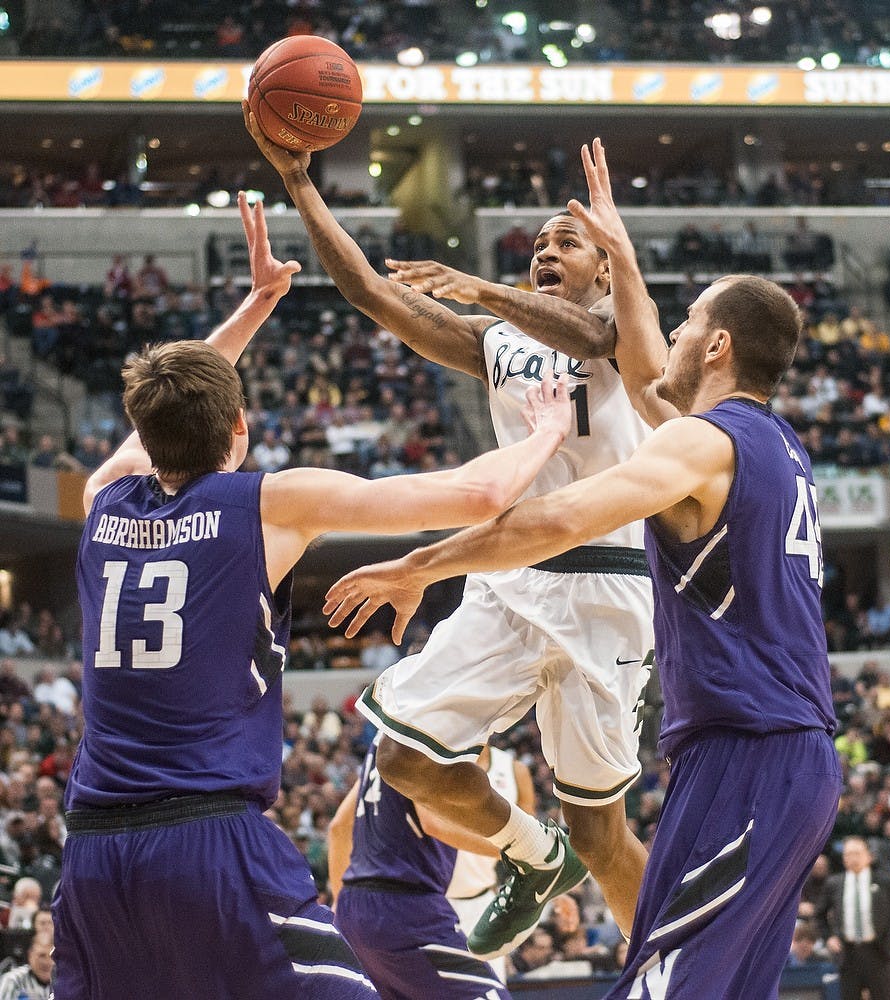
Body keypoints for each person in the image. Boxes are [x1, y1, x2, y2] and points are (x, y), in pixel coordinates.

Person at [323, 139, 844, 999]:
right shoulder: (774, 443)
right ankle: (536, 856)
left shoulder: (701, 442)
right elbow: (646, 371)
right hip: (752, 745)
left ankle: (548, 858)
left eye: (685, 325)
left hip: (747, 739)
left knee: (661, 981)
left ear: (714, 347)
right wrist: (626, 256)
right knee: (698, 980)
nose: (666, 334)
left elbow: (571, 487)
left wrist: (419, 562)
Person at [51, 194, 573, 1000]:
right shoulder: (269, 503)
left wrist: (256, 304)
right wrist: (546, 427)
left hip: (91, 855)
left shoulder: (104, 500)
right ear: (240, 434)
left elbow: (161, 416)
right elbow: (478, 495)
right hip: (210, 841)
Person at [245, 105, 661, 958]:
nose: (547, 251)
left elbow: (594, 336)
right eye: (538, 243)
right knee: (402, 760)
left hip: (609, 583)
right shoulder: (498, 341)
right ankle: (530, 853)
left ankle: (681, 968)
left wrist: (481, 287)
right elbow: (368, 291)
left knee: (603, 835)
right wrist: (298, 184)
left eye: (566, 241)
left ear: (605, 261)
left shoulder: (627, 330)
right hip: (511, 573)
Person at [327, 734, 512, 1000]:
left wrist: (341, 904)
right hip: (406, 907)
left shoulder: (384, 737)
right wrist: (521, 849)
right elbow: (432, 822)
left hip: (355, 907)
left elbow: (338, 828)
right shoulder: (432, 728)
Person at [447, 744, 536, 984]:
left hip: (482, 902)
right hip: (430, 900)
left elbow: (531, 845)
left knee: (490, 990)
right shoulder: (436, 759)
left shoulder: (515, 771)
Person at [816, 835, 890, 1000]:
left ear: (869, 856)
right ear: (843, 858)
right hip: (848, 954)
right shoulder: (834, 883)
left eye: (857, 853)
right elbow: (819, 914)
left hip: (879, 951)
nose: (852, 858)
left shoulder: (885, 881)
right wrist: (828, 937)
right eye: (848, 854)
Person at [0, 929, 53, 1000]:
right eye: (42, 956)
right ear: (30, 955)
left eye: (52, 956)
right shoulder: (13, 980)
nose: (47, 962)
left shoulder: (66, 982)